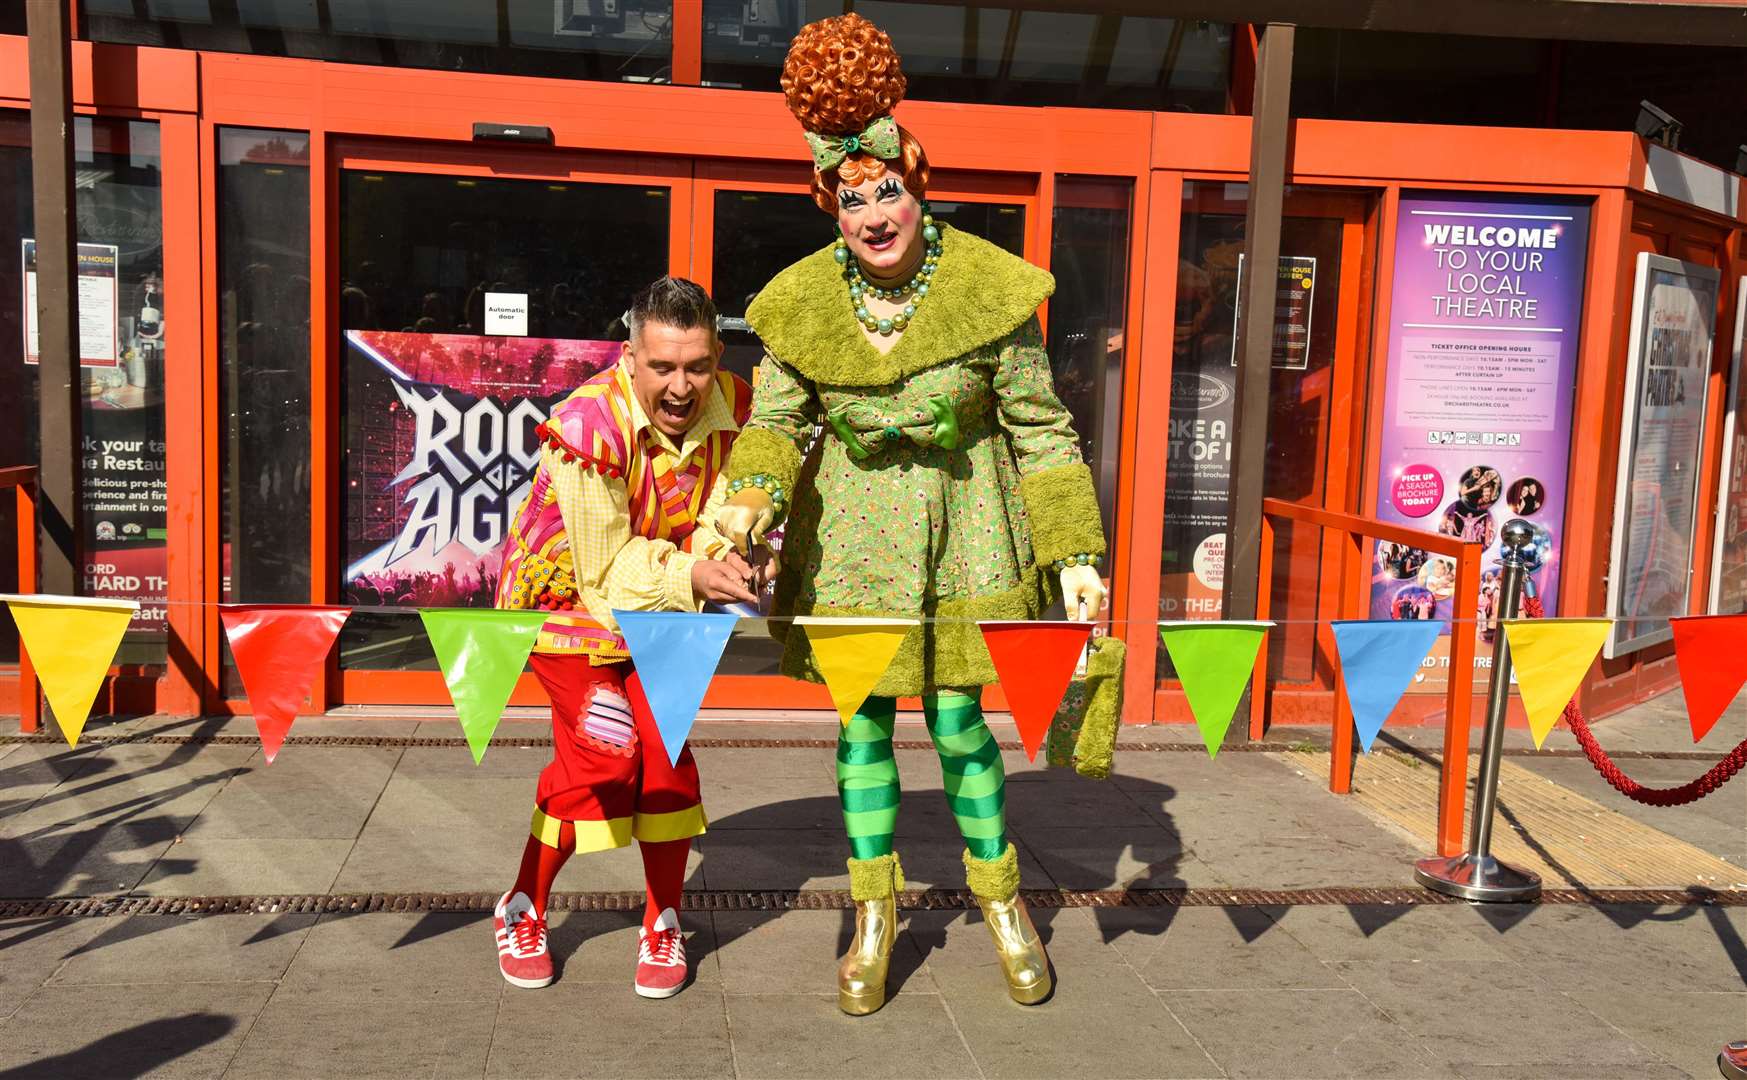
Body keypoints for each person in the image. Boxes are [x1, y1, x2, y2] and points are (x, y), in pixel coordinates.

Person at [712, 14, 1112, 1015]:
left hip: (969, 533)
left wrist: (1073, 552)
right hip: (851, 549)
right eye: (852, 200)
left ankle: (1002, 898)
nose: (873, 213)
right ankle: (874, 911)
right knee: (861, 732)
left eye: (887, 190)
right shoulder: (799, 302)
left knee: (960, 724)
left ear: (915, 187)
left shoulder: (990, 289)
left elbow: (1042, 429)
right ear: (830, 208)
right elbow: (776, 426)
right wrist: (744, 508)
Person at [491, 277, 761, 998]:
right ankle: (522, 904)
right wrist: (696, 574)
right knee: (607, 755)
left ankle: (663, 918)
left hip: (668, 598)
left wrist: (718, 552)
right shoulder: (584, 427)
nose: (681, 386)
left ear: (717, 358)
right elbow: (604, 567)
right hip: (569, 605)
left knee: (666, 764)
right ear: (629, 356)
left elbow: (728, 506)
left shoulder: (737, 404)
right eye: (663, 367)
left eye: (697, 366)